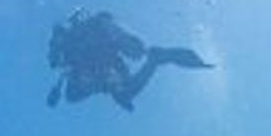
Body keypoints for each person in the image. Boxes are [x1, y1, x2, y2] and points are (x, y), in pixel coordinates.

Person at [45, 9, 213, 110]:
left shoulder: (70, 41)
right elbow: (60, 67)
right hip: (105, 67)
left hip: (105, 66)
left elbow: (57, 65)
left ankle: (155, 59)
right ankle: (155, 58)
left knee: (122, 94)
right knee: (122, 94)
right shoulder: (76, 39)